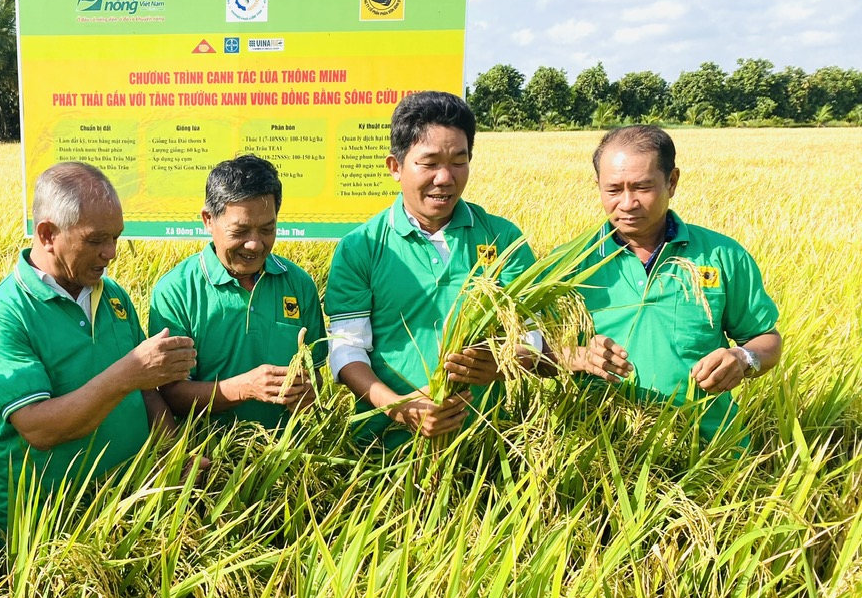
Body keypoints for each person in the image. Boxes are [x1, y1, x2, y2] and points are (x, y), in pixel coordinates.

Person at [0, 162, 195, 537]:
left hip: (129, 508)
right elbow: (40, 428)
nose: (111, 253)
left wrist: (175, 456)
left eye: (116, 238)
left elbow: (146, 393)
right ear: (46, 235)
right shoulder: (3, 318)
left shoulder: (112, 296)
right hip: (44, 527)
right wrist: (127, 373)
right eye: (95, 240)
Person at [324, 91, 536, 446]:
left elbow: (531, 334)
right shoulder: (361, 247)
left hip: (483, 447)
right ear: (395, 167)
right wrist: (399, 408)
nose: (445, 178)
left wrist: (504, 362)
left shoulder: (503, 238)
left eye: (458, 161)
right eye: (430, 162)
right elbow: (347, 349)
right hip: (382, 449)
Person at [561, 125, 781, 437]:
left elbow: (767, 339)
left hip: (707, 449)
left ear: (672, 181)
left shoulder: (722, 255)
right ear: (597, 185)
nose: (627, 203)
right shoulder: (571, 262)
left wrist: (743, 358)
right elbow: (533, 349)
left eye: (642, 187)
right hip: (598, 447)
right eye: (613, 190)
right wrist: (580, 357)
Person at [148, 154, 327, 429]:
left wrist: (306, 395)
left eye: (267, 229)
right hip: (206, 458)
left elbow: (315, 373)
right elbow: (169, 394)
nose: (255, 244)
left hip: (286, 456)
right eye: (240, 231)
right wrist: (245, 388)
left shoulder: (299, 284)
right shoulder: (176, 292)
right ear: (208, 220)